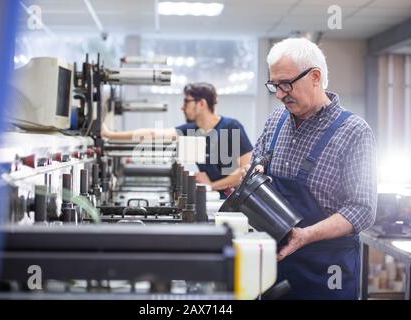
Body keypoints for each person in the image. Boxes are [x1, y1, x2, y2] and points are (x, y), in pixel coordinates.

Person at [244, 38, 377, 299]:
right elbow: (256, 166)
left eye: (285, 84)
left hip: (326, 272)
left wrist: (304, 235)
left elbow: (362, 209)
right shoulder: (275, 121)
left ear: (315, 77)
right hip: (277, 267)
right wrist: (252, 175)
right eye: (274, 85)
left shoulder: (354, 132)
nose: (280, 94)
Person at [102, 82, 253, 197]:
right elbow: (153, 134)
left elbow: (246, 171)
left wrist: (212, 185)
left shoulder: (232, 127)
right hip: (215, 201)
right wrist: (110, 135)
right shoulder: (192, 130)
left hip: (239, 202)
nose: (182, 107)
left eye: (186, 102)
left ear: (201, 104)